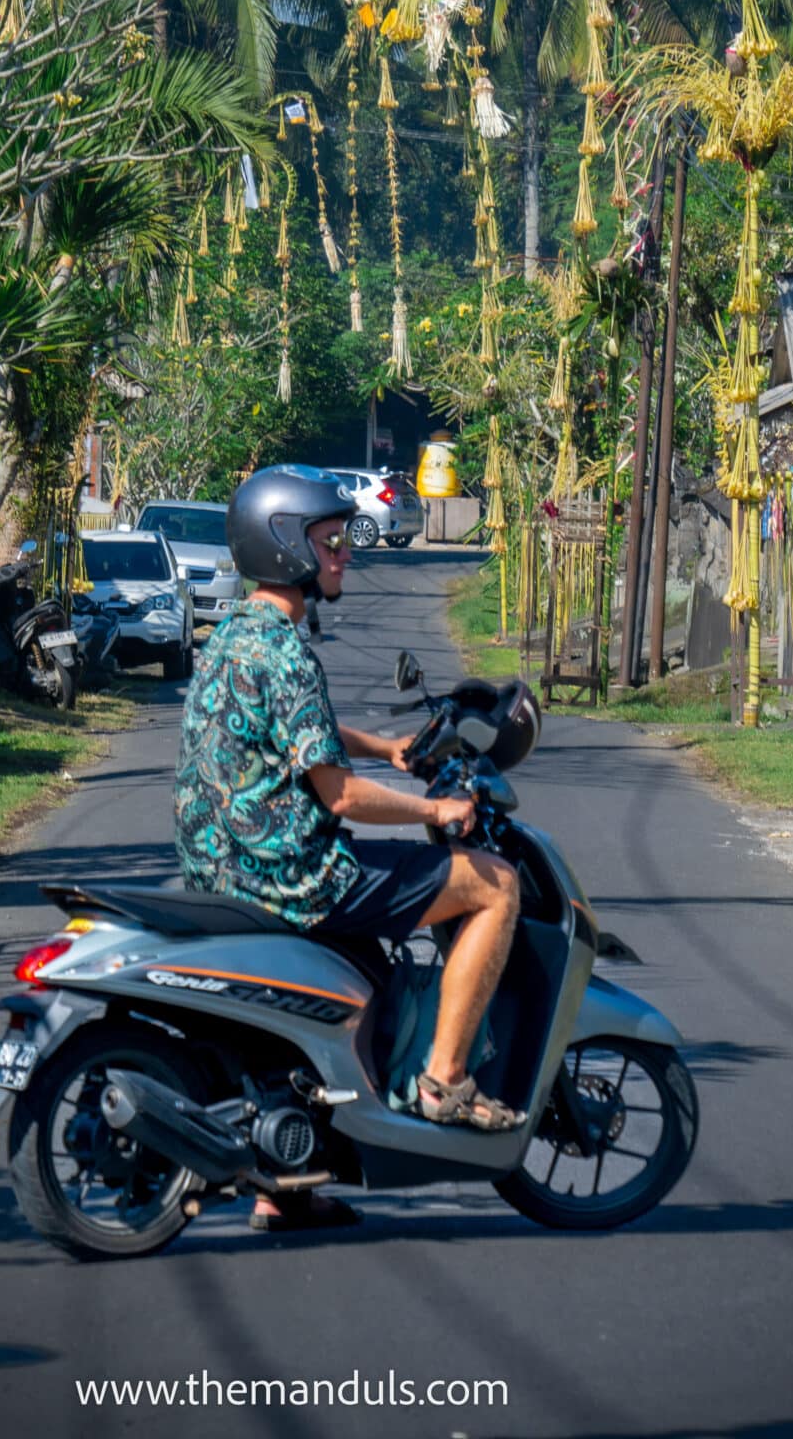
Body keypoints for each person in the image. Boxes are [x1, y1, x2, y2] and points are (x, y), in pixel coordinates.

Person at [174, 467, 522, 1231]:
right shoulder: (285, 650)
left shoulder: (239, 632)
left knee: (367, 970)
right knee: (493, 884)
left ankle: (286, 1184)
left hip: (223, 868)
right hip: (292, 877)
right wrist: (437, 807)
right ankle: (444, 1079)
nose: (344, 557)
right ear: (286, 550)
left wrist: (386, 746)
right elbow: (339, 796)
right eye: (330, 545)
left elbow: (296, 736)